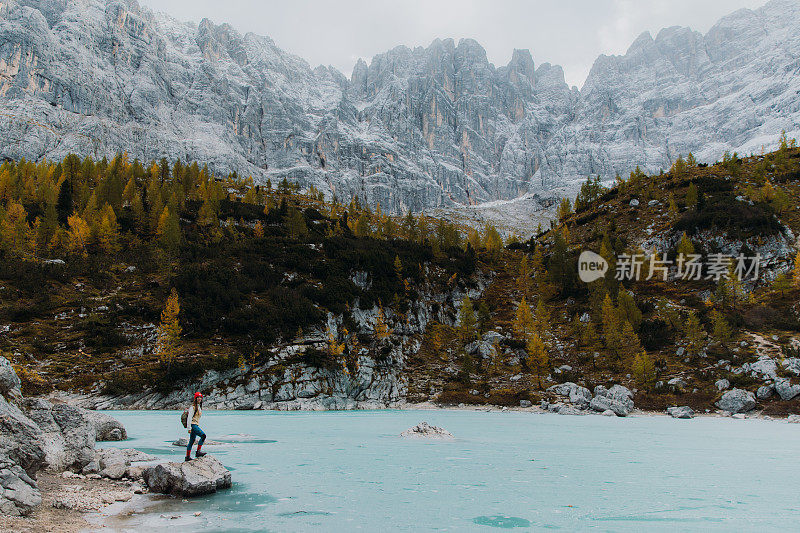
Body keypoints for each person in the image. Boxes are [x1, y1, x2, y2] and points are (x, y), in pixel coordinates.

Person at [185, 392, 207, 461]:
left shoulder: (199, 407)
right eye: (198, 397)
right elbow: (189, 418)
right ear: (195, 398)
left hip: (195, 424)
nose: (199, 398)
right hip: (193, 425)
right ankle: (198, 452)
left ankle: (187, 457)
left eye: (200, 397)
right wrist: (189, 428)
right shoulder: (193, 407)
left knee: (191, 441)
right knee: (203, 435)